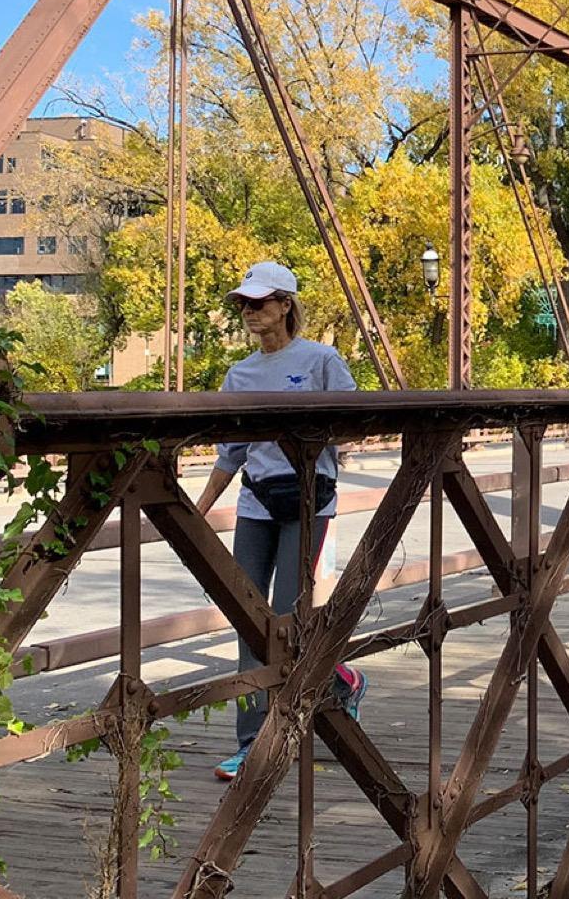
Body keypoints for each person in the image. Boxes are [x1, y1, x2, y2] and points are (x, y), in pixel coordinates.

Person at [201, 261, 366, 780]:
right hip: (257, 503)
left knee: (289, 619)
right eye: (244, 305)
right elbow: (231, 452)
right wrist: (199, 510)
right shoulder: (240, 374)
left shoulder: (320, 359)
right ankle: (253, 742)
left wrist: (315, 432)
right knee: (248, 620)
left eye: (259, 303)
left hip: (309, 502)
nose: (250, 312)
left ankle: (338, 683)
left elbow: (357, 423)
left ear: (286, 305)